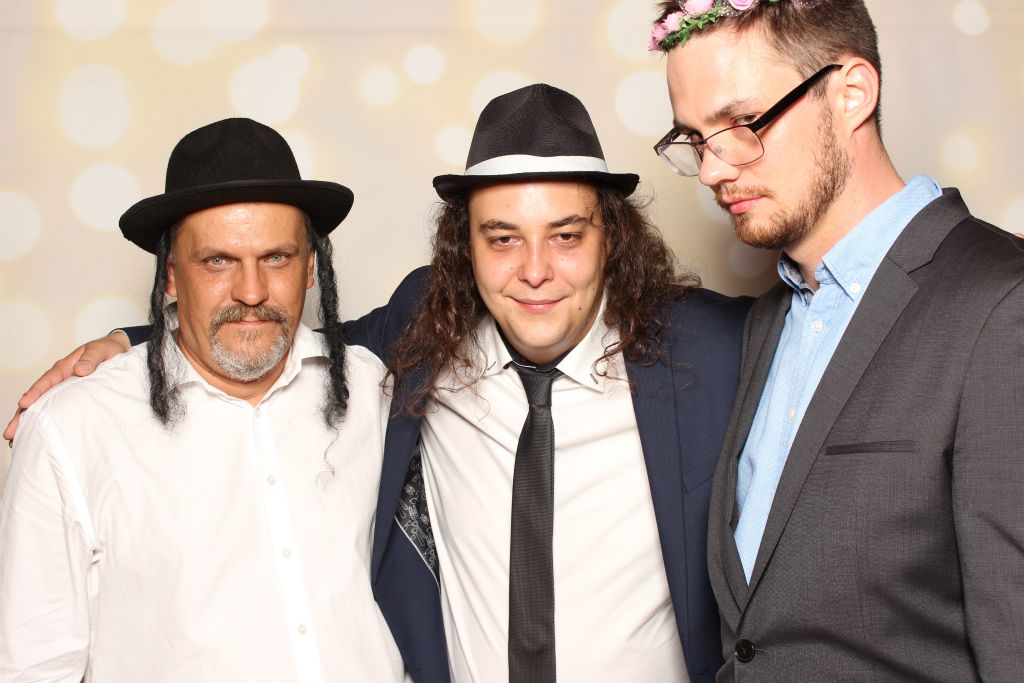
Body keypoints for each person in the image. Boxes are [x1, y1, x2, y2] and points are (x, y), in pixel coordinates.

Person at [5, 85, 751, 682]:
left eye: (566, 235)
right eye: (502, 238)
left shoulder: (711, 349)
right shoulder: (417, 339)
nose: (534, 271)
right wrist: (131, 344)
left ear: (611, 239)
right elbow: (250, 333)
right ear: (464, 249)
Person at [649, 0, 1024, 680]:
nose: (711, 170)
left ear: (852, 92)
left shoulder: (1002, 304)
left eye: (742, 123)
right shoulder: (767, 321)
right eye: (695, 138)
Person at [0, 118, 406, 681]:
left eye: (276, 258)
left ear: (311, 266)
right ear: (171, 276)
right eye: (218, 261)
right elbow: (33, 664)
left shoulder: (371, 389)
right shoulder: (73, 428)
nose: (251, 291)